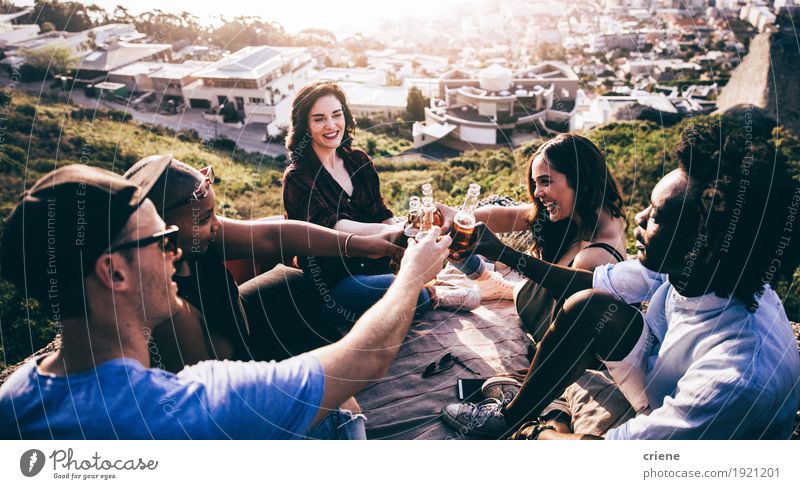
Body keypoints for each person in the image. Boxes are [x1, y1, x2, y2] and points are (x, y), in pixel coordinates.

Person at [0, 162, 453, 439]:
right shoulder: (193, 405)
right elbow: (363, 362)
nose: (175, 254)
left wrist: (369, 245)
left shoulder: (14, 400)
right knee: (344, 408)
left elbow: (272, 232)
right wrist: (412, 275)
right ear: (114, 272)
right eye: (161, 241)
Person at [442, 109, 800, 439]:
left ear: (699, 243)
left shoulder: (737, 375)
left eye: (657, 216)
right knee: (590, 304)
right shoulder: (705, 271)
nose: (640, 218)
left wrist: (541, 434)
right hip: (661, 373)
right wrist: (498, 251)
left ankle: (529, 423)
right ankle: (508, 415)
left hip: (673, 417)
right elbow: (591, 283)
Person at [123, 155, 403, 371]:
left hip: (237, 322)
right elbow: (213, 382)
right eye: (204, 219)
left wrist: (363, 244)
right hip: (229, 372)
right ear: (160, 231)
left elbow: (272, 236)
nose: (216, 226)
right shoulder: (166, 310)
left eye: (214, 215)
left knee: (292, 283)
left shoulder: (197, 236)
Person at [282, 80, 479, 326]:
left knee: (447, 230)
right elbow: (333, 226)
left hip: (378, 262)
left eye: (336, 114)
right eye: (319, 119)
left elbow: (381, 211)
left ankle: (483, 275)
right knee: (408, 290)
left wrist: (414, 234)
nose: (331, 125)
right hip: (336, 283)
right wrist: (394, 233)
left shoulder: (357, 160)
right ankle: (434, 295)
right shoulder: (298, 176)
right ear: (305, 126)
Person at [439, 133, 627, 343]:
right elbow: (510, 216)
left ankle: (482, 280)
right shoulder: (588, 212)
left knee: (472, 256)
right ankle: (486, 277)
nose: (537, 192)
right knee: (458, 241)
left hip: (531, 309)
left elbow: (566, 336)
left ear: (580, 179)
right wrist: (455, 216)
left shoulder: (595, 255)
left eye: (545, 182)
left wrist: (536, 367)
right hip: (527, 295)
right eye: (535, 183)